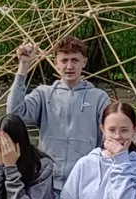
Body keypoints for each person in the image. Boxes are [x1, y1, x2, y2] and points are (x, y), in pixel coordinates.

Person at [7, 36, 112, 190]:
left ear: (84, 62)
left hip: (86, 184)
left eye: (75, 60)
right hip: (48, 183)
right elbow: (14, 114)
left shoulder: (99, 97)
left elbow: (107, 139)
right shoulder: (44, 94)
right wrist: (23, 65)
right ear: (56, 63)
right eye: (64, 60)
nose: (69, 66)